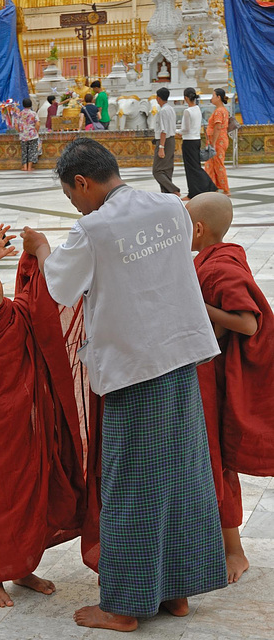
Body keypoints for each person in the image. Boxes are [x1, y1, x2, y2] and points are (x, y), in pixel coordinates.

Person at [21, 138, 227, 633]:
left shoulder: (92, 229)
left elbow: (60, 288)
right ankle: (177, 592)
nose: (76, 205)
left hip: (135, 368)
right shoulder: (171, 208)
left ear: (83, 183)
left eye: (73, 196)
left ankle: (125, 605)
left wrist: (43, 248)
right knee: (183, 475)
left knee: (130, 485)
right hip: (182, 357)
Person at [0, 224, 87, 607]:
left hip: (30, 419)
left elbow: (41, 298)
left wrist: (34, 253)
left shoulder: (16, 312)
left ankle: (22, 567)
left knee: (30, 488)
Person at [187, 192, 274, 584]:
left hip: (219, 382)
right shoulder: (216, 258)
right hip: (206, 376)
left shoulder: (221, 268)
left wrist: (198, 307)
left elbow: (249, 324)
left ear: (199, 229)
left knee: (216, 462)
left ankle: (234, 552)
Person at [178, 87, 217, 201]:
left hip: (188, 141)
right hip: (196, 139)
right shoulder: (197, 109)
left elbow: (186, 129)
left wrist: (178, 132)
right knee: (195, 166)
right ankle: (198, 190)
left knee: (191, 168)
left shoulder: (187, 111)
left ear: (185, 98)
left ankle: (203, 188)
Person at [152, 87, 181, 197]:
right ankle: (167, 193)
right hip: (171, 140)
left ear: (158, 98)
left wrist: (161, 147)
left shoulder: (163, 111)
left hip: (164, 141)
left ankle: (174, 190)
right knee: (167, 169)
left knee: (157, 171)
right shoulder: (171, 109)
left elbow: (163, 130)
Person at [204, 88, 231, 196]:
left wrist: (213, 143)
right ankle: (213, 186)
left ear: (218, 97)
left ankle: (225, 189)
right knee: (211, 164)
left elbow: (218, 127)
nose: (212, 98)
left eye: (213, 96)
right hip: (219, 139)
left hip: (218, 140)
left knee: (218, 164)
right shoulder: (222, 110)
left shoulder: (219, 111)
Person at [16, 98, 40, 171]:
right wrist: (36, 131)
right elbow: (38, 124)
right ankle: (30, 167)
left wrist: (20, 131)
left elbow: (16, 125)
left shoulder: (19, 114)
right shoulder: (33, 113)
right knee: (32, 151)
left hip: (23, 135)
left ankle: (25, 167)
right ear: (31, 104)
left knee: (24, 151)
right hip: (32, 135)